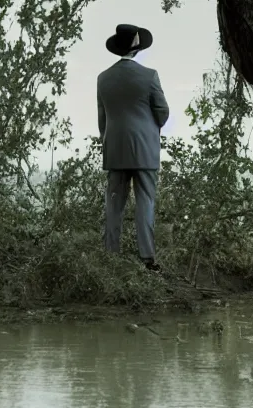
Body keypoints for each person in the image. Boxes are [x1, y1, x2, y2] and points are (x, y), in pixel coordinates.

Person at [96, 24, 169, 272]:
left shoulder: (103, 78)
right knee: (145, 202)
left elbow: (102, 119)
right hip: (145, 150)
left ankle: (110, 257)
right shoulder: (150, 76)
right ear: (137, 49)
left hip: (115, 148)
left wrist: (109, 139)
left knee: (114, 204)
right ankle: (147, 259)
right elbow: (162, 111)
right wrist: (150, 128)